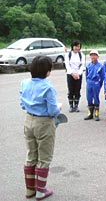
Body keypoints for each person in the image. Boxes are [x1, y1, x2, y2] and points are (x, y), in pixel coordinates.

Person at [20, 56, 61, 200]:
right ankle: (40, 191)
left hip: (29, 120)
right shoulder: (48, 87)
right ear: (48, 71)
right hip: (44, 123)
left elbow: (23, 104)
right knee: (44, 157)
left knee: (31, 155)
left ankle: (29, 190)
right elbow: (53, 111)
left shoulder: (24, 83)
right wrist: (59, 107)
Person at [65, 40, 85, 112]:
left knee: (77, 90)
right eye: (75, 46)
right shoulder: (68, 55)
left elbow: (82, 65)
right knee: (71, 90)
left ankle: (76, 105)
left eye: (78, 46)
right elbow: (67, 65)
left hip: (78, 75)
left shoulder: (81, 55)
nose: (77, 48)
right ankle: (71, 105)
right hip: (70, 74)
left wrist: (78, 74)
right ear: (72, 47)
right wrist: (72, 73)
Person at [84, 50, 104, 121]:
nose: (93, 57)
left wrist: (99, 84)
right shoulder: (88, 65)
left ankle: (96, 113)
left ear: (97, 56)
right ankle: (90, 114)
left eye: (95, 55)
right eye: (92, 55)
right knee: (89, 97)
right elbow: (86, 75)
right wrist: (88, 82)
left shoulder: (100, 66)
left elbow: (102, 77)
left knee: (96, 98)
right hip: (89, 82)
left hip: (96, 83)